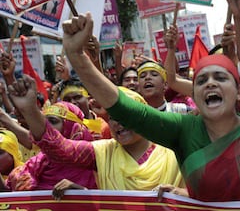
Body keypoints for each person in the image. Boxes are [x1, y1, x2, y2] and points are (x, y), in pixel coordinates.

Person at [59, 13, 240, 211]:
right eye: (201, 81)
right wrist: (77, 57)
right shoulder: (183, 129)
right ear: (195, 96)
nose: (210, 84)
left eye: (220, 78)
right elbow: (127, 111)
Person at [7, 82, 185, 198]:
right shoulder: (102, 151)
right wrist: (30, 109)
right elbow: (59, 148)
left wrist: (181, 194)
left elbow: (208, 193)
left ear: (143, 116)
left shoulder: (174, 148)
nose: (117, 123)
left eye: (126, 116)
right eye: (113, 117)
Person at [5, 102, 97, 191]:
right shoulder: (39, 161)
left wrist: (80, 191)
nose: (46, 127)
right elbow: (8, 192)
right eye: (45, 122)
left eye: (53, 121)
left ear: (72, 128)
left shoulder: (94, 160)